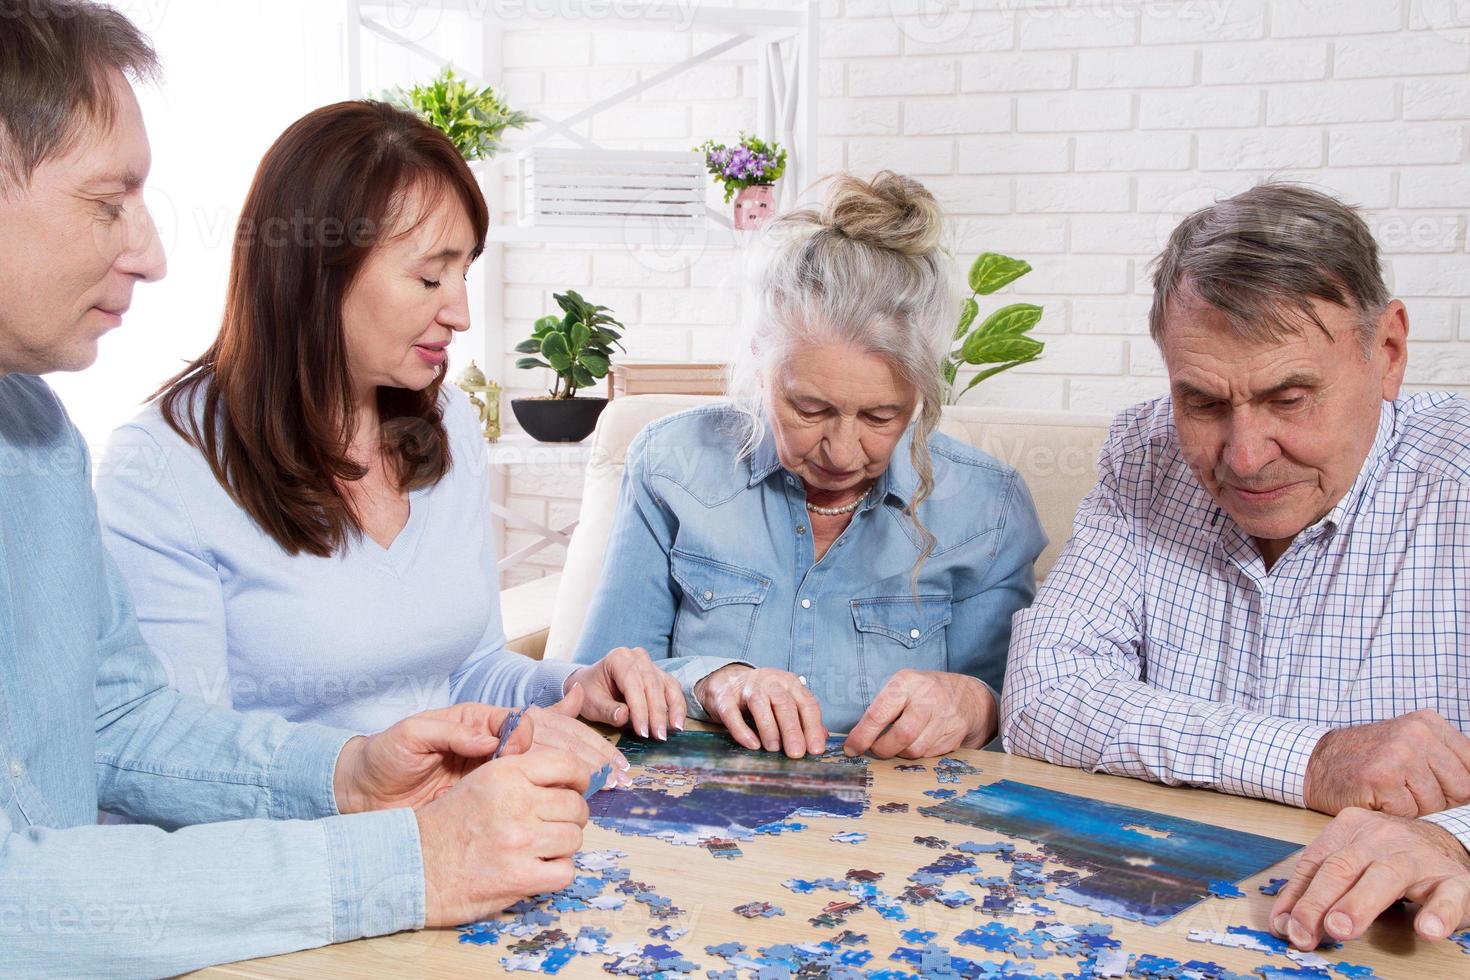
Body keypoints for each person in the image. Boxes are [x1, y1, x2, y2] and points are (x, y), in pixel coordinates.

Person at [0, 4, 591, 973]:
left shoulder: (34, 431)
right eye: (109, 201)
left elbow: (115, 718)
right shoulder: (155, 457)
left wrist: (348, 772)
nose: (151, 252)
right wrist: (407, 861)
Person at [93, 99, 686, 775]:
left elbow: (467, 674)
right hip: (306, 860)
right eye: (431, 276)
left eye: (465, 273)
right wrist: (365, 783)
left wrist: (573, 688)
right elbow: (176, 760)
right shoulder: (164, 466)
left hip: (455, 829)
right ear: (318, 271)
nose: (460, 311)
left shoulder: (449, 422)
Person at [1000, 183, 1470, 949]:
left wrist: (1453, 841)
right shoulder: (1146, 453)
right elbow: (1044, 696)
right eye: (1205, 404)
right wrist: (1312, 760)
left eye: (1290, 398)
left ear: (1386, 353)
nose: (1245, 458)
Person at [572, 172, 1047, 761]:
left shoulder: (986, 506)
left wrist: (973, 703)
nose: (842, 452)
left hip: (896, 833)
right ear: (758, 364)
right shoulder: (673, 464)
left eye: (881, 415)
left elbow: (1015, 708)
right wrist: (714, 680)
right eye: (809, 408)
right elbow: (603, 681)